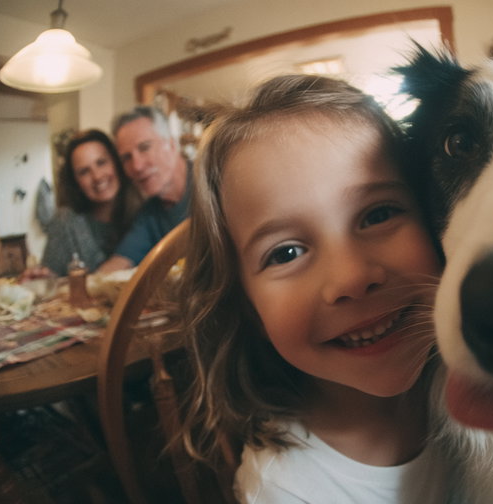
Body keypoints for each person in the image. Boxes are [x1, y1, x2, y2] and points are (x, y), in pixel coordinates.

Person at [179, 74, 448, 503]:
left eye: (378, 214)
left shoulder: (488, 378)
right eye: (285, 253)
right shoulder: (286, 488)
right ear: (246, 307)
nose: (351, 278)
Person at [26, 129, 139, 277]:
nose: (97, 177)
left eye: (101, 163)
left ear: (116, 163)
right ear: (76, 183)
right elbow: (50, 280)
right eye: (84, 172)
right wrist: (41, 279)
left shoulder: (145, 212)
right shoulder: (65, 223)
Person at [95, 106, 191, 272]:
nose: (137, 166)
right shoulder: (149, 213)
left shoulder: (215, 185)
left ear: (172, 144)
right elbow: (119, 262)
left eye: (145, 147)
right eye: (126, 158)